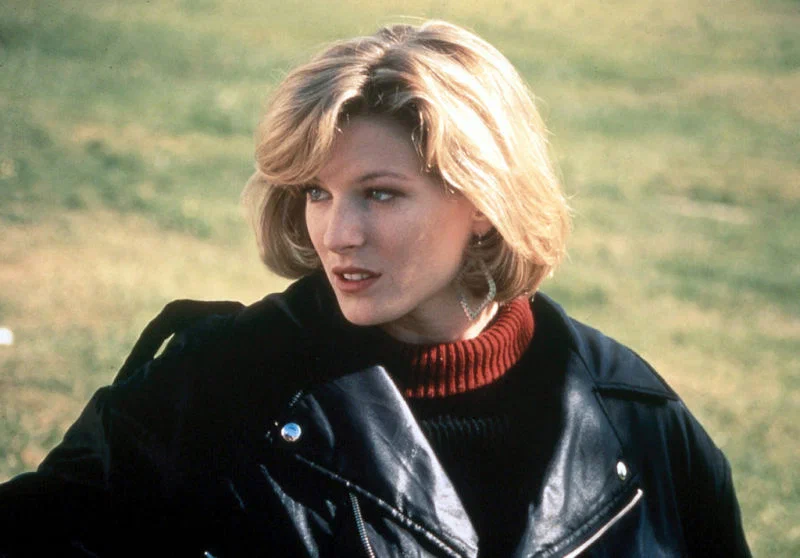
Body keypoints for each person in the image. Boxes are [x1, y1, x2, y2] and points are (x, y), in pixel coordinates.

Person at [0, 20, 750, 557]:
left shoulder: (636, 418)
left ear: (483, 202)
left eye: (380, 193)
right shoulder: (212, 386)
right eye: (318, 193)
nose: (337, 234)